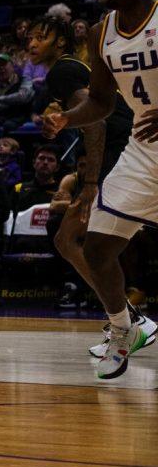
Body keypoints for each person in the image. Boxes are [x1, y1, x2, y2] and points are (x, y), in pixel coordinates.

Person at [43, 0, 158, 378]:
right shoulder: (100, 31)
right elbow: (101, 101)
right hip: (144, 150)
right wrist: (65, 119)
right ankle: (124, 328)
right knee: (96, 247)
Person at [28, 16, 141, 323]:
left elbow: (97, 124)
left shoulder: (63, 70)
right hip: (125, 147)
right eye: (30, 38)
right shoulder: (70, 70)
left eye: (41, 37)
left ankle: (127, 319)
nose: (32, 43)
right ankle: (127, 318)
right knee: (80, 241)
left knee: (69, 240)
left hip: (119, 150)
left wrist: (90, 184)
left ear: (61, 42)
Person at [0, 54, 35, 129]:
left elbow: (23, 96)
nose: (1, 68)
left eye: (4, 64)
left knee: (9, 125)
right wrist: (13, 104)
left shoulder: (24, 80)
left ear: (12, 66)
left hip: (18, 121)